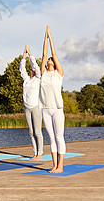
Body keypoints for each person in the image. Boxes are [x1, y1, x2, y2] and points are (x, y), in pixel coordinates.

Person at [40, 25, 65, 173]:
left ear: (54, 63)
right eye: (48, 59)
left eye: (51, 59)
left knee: (58, 137)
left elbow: (53, 53)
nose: (49, 59)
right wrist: (44, 38)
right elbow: (44, 55)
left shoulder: (58, 74)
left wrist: (50, 37)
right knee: (51, 138)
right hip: (45, 109)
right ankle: (54, 165)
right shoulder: (43, 74)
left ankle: (60, 166)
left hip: (57, 109)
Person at [19, 43, 44, 160]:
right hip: (27, 108)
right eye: (31, 70)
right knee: (31, 131)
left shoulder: (38, 79)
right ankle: (35, 153)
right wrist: (23, 55)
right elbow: (21, 69)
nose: (31, 70)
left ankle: (40, 153)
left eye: (32, 69)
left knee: (37, 131)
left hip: (36, 107)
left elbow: (36, 66)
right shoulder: (27, 80)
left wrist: (30, 54)